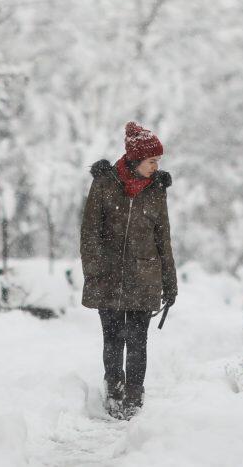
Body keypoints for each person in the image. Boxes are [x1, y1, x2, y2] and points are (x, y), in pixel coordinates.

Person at [80, 122, 177, 419]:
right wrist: (95, 270)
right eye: (152, 161)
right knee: (113, 338)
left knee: (137, 340)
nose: (156, 166)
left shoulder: (156, 190)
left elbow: (163, 238)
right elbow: (90, 232)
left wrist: (169, 283)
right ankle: (114, 388)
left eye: (158, 161)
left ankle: (134, 395)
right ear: (136, 160)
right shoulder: (105, 184)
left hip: (144, 278)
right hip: (107, 277)